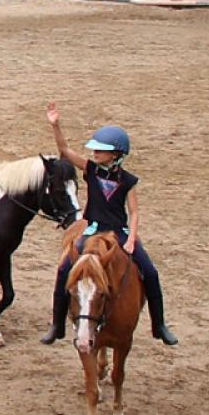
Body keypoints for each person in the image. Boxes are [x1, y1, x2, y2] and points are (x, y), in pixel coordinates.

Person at [40, 103, 177, 346]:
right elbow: (64, 151)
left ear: (116, 154)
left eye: (100, 151)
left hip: (119, 233)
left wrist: (132, 239)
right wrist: (56, 125)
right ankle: (57, 324)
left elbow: (133, 212)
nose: (94, 154)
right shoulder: (90, 169)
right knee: (63, 270)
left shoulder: (128, 181)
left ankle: (159, 324)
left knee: (151, 272)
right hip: (92, 229)